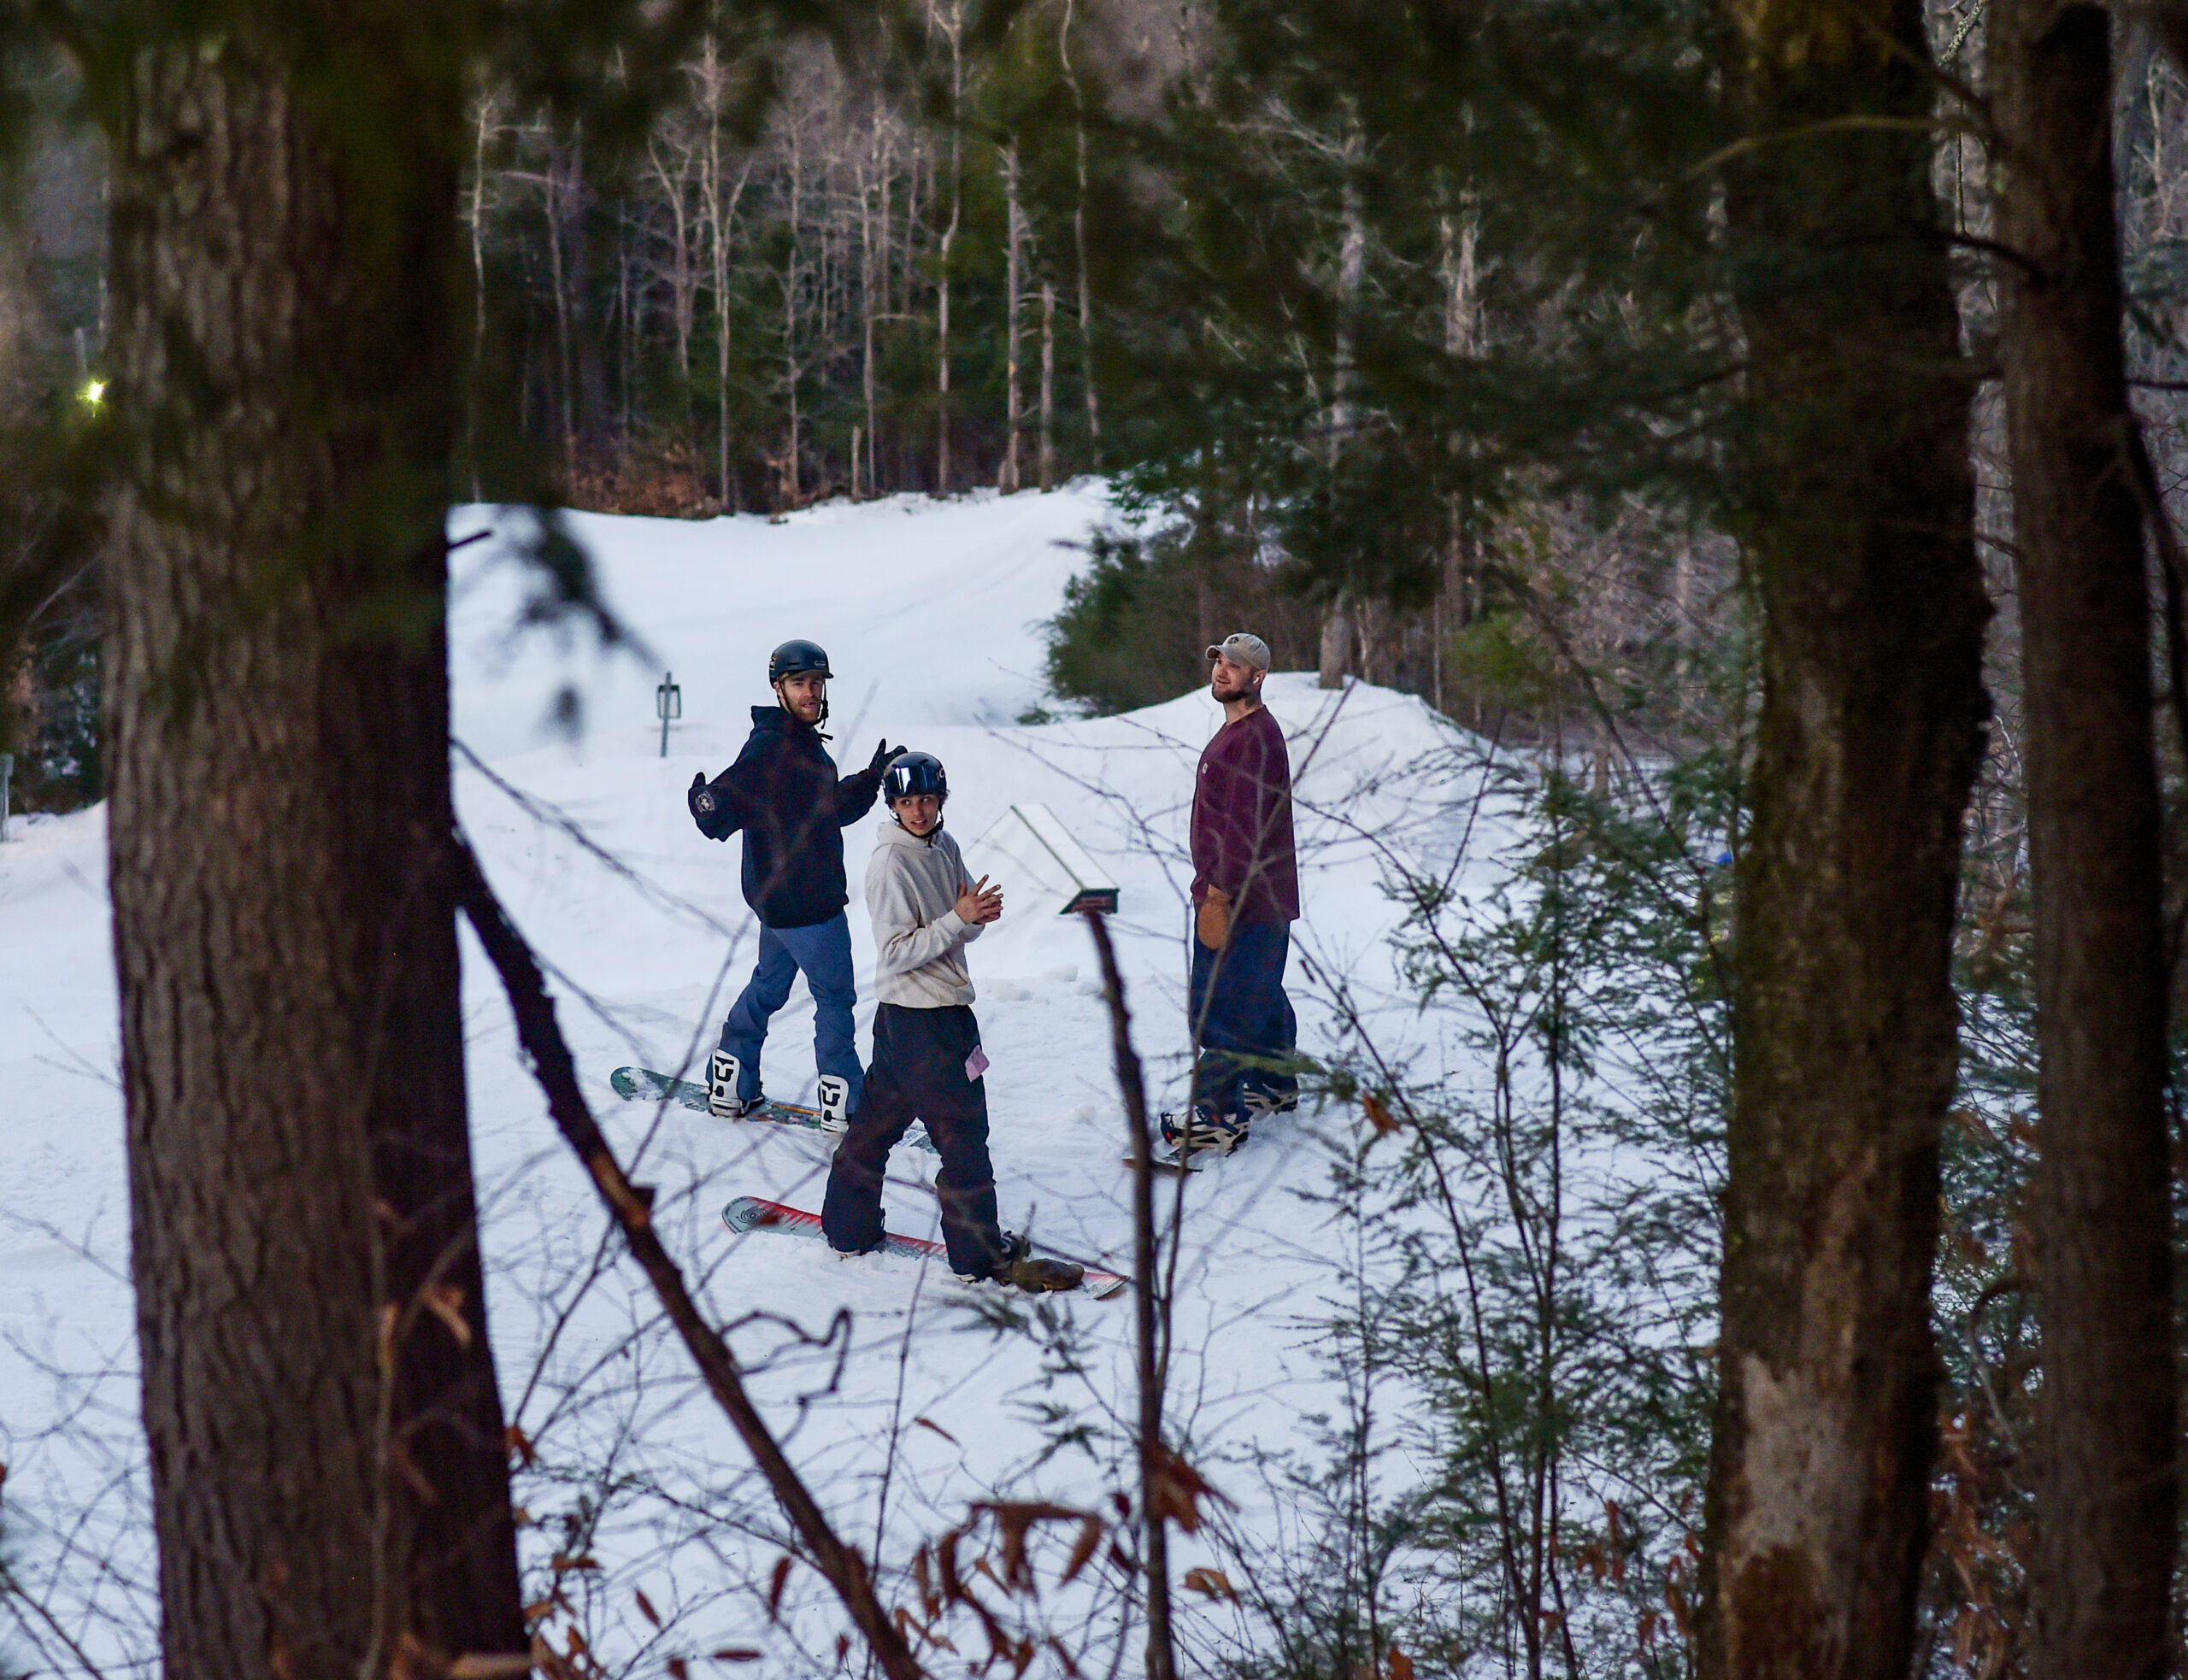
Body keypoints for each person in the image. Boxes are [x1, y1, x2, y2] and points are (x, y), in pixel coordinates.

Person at [820, 750, 1082, 1291]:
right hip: (925, 1023)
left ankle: (849, 1228)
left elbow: (960, 921)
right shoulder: (889, 865)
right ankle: (977, 1257)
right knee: (963, 1138)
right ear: (892, 806)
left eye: (927, 799)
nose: (918, 811)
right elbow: (896, 952)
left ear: (941, 800)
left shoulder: (944, 846)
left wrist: (973, 917)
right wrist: (958, 920)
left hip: (915, 1020)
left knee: (875, 1126)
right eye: (906, 802)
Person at [686, 639, 898, 1122]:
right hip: (811, 907)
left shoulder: (796, 743)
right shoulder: (773, 745)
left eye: (817, 683)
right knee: (835, 1000)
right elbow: (730, 798)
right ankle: (846, 1103)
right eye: (799, 683)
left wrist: (871, 778)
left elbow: (828, 810)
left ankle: (732, 1076)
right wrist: (707, 802)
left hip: (779, 908)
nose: (811, 692)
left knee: (768, 986)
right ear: (778, 688)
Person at [1168, 631, 1301, 1154]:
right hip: (1259, 897)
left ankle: (1218, 1116)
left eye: (1235, 665)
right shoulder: (1245, 732)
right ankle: (1272, 1082)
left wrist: (1218, 897)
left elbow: (1245, 827)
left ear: (1258, 677)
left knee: (1221, 1007)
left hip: (1241, 899)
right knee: (1259, 991)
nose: (1222, 671)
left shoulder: (1254, 737)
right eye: (1219, 661)